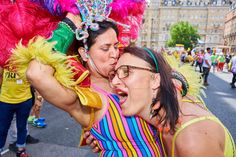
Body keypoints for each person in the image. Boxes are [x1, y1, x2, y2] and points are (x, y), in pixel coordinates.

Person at [19, 20, 165, 156]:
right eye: (105, 48)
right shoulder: (84, 96)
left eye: (115, 46)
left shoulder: (131, 76)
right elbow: (36, 73)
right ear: (84, 52)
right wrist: (69, 24)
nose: (114, 54)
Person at [111, 46, 235, 157]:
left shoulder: (193, 141)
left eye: (126, 71)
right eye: (114, 74)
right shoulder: (162, 112)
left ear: (155, 80)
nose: (114, 82)